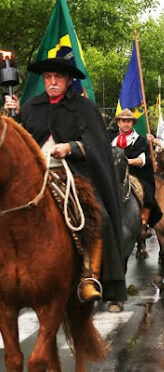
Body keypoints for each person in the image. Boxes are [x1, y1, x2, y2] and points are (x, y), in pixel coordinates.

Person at [4, 57, 126, 303]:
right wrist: (12, 115)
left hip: (73, 173)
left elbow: (97, 144)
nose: (52, 82)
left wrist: (71, 147)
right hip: (35, 173)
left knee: (99, 216)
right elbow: (16, 141)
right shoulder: (30, 106)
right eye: (48, 77)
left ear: (69, 80)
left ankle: (88, 275)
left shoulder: (85, 108)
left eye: (57, 77)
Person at [112, 109, 162, 238]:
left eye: (129, 121)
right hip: (113, 174)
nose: (126, 124)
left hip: (135, 174)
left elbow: (141, 160)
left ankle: (143, 226)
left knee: (148, 195)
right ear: (118, 123)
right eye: (123, 121)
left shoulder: (140, 140)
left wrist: (124, 161)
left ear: (132, 123)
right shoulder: (111, 138)